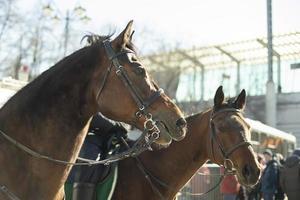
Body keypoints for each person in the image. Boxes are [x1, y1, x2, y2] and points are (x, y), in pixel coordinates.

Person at [66, 113, 128, 200]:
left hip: (107, 134)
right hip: (75, 130)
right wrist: (114, 126)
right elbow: (86, 108)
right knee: (89, 158)